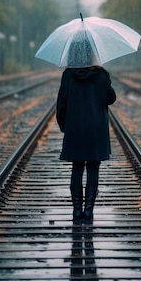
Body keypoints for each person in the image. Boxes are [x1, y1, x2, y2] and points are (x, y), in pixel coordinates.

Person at [56, 33, 117, 222]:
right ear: (92, 54)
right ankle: (89, 210)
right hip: (95, 128)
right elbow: (111, 98)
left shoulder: (68, 75)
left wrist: (65, 126)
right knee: (93, 168)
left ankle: (76, 210)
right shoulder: (102, 75)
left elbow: (62, 104)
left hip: (75, 127)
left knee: (77, 168)